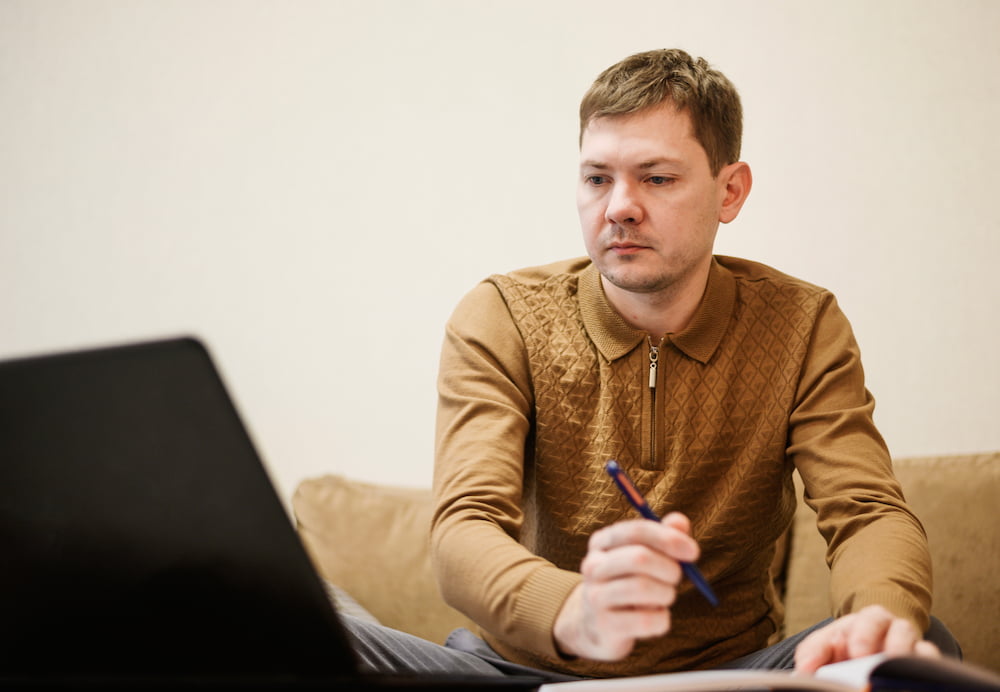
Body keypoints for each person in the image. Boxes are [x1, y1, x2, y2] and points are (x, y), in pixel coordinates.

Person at [343, 48, 959, 681]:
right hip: (525, 674)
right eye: (596, 178)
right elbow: (464, 527)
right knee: (324, 633)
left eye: (657, 178)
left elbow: (868, 512)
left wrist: (878, 618)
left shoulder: (804, 324)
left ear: (730, 190)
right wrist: (574, 611)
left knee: (917, 645)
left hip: (730, 674)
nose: (619, 207)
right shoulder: (501, 315)